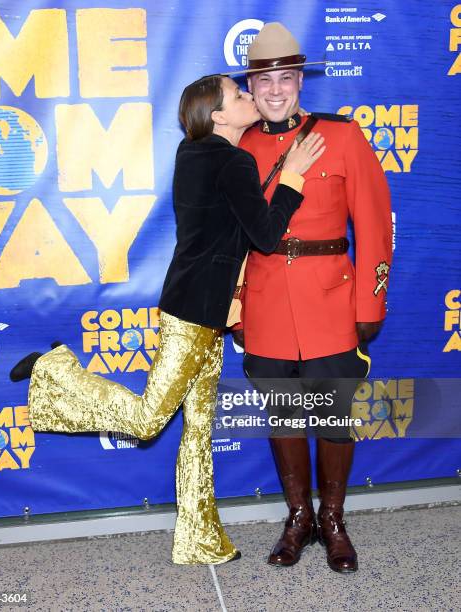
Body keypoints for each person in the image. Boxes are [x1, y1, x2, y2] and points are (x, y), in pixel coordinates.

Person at [9, 74, 326, 565]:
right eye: (238, 95)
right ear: (218, 115)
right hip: (196, 313)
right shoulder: (231, 160)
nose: (248, 97)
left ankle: (201, 541)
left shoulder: (193, 154)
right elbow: (264, 234)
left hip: (202, 309)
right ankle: (54, 369)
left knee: (200, 429)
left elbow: (226, 232)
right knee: (149, 418)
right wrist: (293, 178)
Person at [229, 23, 393, 573]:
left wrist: (370, 304)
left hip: (331, 300)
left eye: (287, 77)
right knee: (284, 415)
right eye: (265, 79)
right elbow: (231, 235)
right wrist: (235, 305)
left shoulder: (342, 136)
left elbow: (373, 222)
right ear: (251, 86)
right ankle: (298, 517)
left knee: (334, 416)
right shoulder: (242, 146)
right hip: (267, 298)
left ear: (301, 81)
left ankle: (334, 520)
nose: (276, 90)